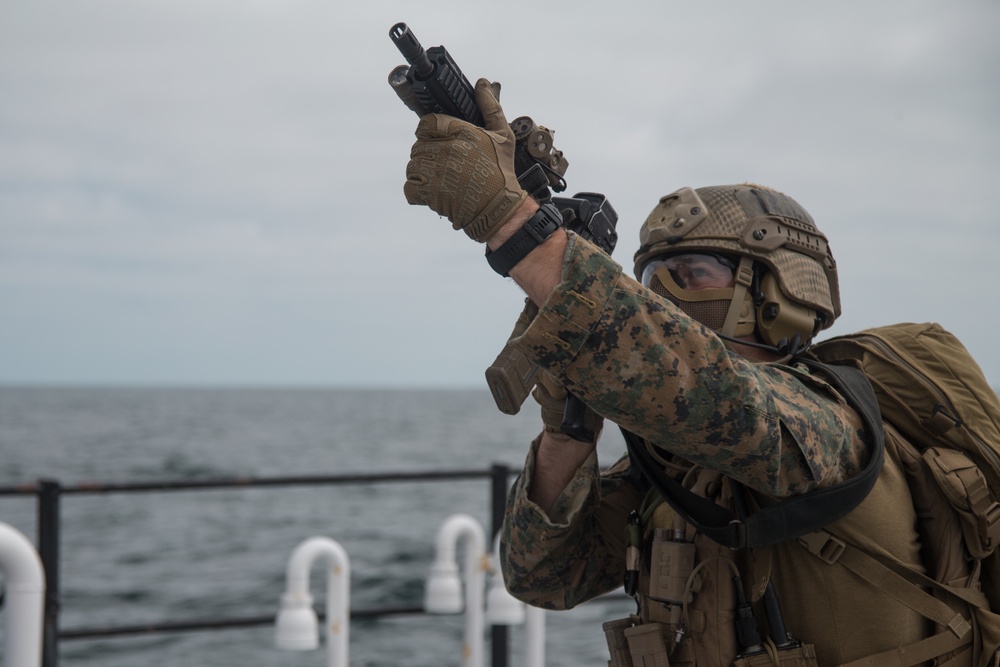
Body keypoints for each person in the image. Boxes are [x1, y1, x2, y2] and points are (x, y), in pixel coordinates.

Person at [403, 79, 977, 667]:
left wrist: (511, 222)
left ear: (779, 291)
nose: (667, 294)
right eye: (652, 280)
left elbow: (727, 404)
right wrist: (567, 433)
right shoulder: (675, 460)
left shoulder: (834, 421)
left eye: (694, 271)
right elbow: (545, 576)